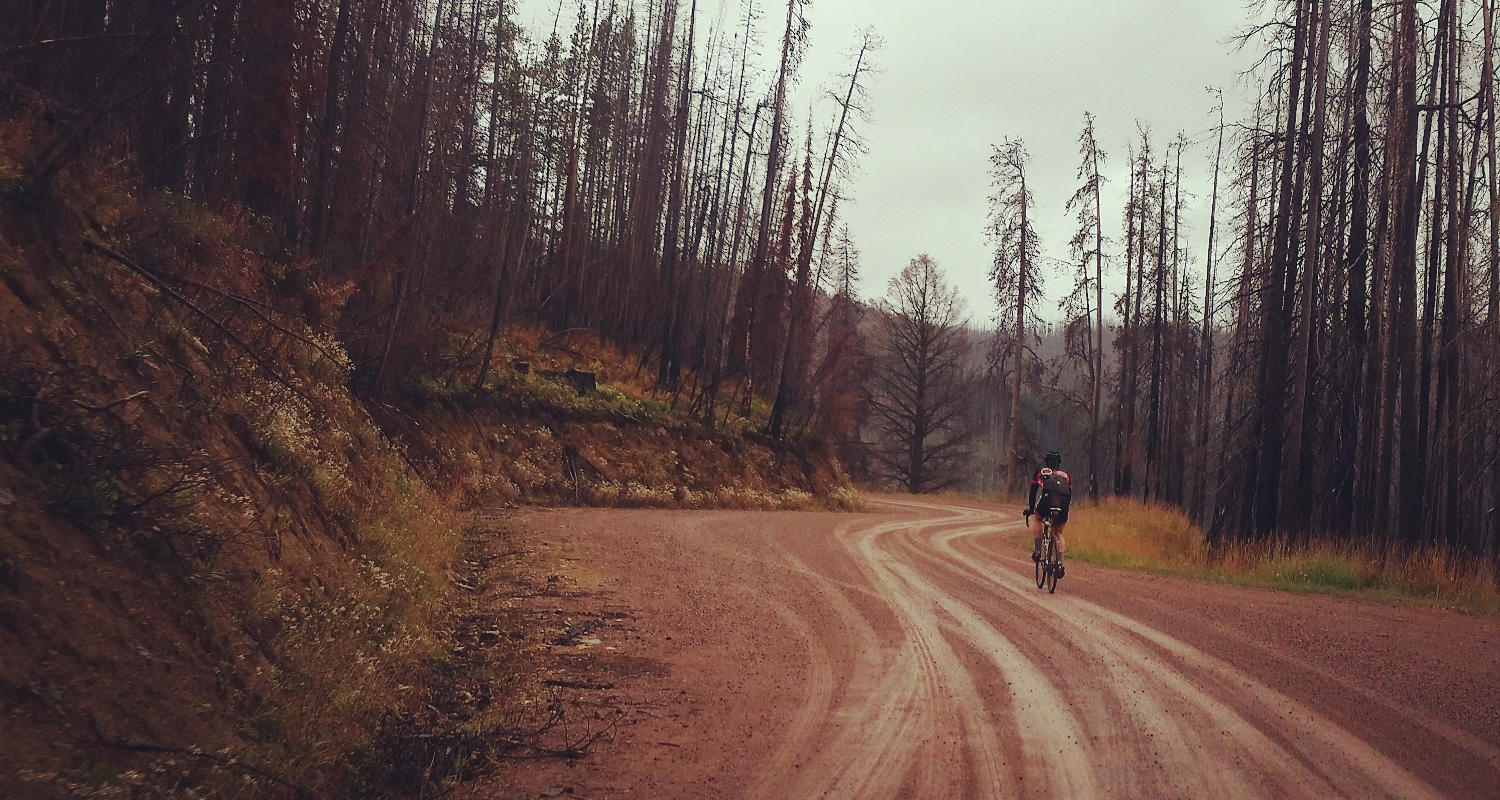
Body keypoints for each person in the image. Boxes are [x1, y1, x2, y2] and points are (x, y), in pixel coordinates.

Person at [1024, 450, 1073, 577]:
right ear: (1059, 463)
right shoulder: (1066, 476)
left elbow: (1033, 492)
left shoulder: (1040, 471)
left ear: (1046, 462)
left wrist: (1031, 509)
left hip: (1047, 499)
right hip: (1063, 504)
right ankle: (1060, 563)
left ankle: (1038, 550)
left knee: (1038, 518)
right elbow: (1069, 496)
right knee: (1059, 533)